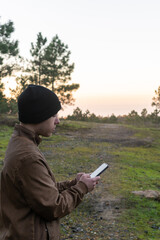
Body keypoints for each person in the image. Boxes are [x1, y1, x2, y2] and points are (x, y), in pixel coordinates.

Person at [0, 85, 100, 240]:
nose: (58, 121)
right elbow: (54, 206)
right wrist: (82, 188)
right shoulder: (28, 157)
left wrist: (73, 183)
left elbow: (40, 191)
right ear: (39, 115)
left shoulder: (21, 143)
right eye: (54, 115)